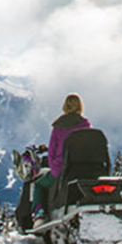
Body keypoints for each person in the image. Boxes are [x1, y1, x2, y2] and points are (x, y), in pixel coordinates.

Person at [32, 93, 91, 227]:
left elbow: (52, 152)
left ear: (65, 106)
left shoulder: (59, 127)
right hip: (83, 170)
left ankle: (39, 214)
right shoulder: (86, 125)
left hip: (63, 170)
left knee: (39, 184)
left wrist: (55, 169)